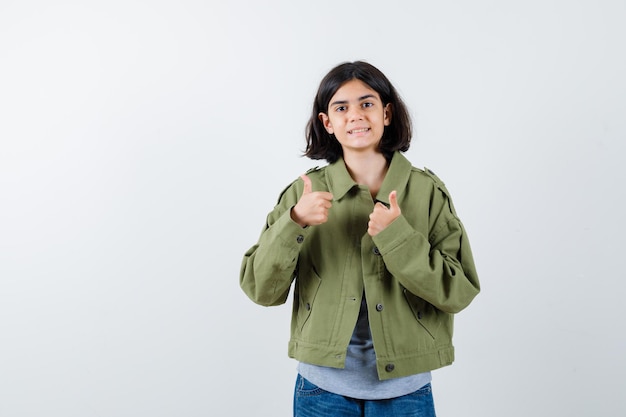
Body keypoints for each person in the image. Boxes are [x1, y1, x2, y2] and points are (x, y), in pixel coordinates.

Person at [240, 61, 480, 417]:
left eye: (367, 104)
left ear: (386, 113)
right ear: (327, 122)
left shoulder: (427, 192)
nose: (355, 115)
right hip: (321, 389)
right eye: (341, 107)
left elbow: (458, 291)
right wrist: (294, 223)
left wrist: (398, 237)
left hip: (407, 390)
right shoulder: (302, 194)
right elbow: (261, 289)